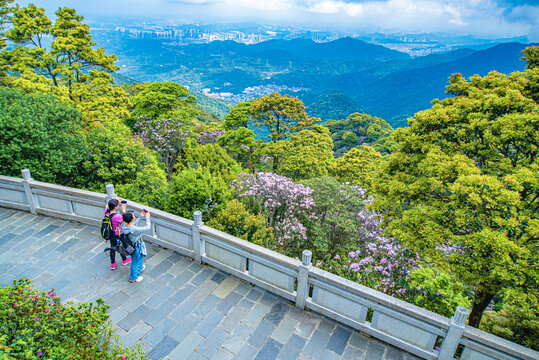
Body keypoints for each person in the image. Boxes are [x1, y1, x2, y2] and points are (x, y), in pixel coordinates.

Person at [122, 210, 151, 283]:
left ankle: (140, 268)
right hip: (136, 246)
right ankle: (133, 277)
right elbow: (147, 228)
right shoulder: (133, 229)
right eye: (133, 215)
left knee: (139, 258)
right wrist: (148, 218)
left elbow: (133, 224)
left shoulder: (125, 226)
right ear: (131, 218)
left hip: (132, 245)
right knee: (135, 262)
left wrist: (141, 216)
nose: (134, 216)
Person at [105, 198, 131, 270]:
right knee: (120, 247)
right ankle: (125, 260)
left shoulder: (106, 212)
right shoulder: (117, 216)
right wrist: (123, 210)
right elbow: (126, 219)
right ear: (116, 207)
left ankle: (113, 263)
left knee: (112, 248)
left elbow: (107, 205)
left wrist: (116, 202)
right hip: (118, 234)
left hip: (111, 234)